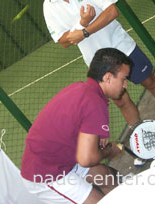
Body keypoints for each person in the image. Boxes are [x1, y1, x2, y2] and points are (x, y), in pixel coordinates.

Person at [33, 0, 155, 143]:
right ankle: (144, 140)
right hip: (97, 63)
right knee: (120, 100)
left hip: (121, 46)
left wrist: (84, 31)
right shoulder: (48, 7)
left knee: (150, 82)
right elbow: (63, 41)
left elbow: (112, 12)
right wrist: (81, 23)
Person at [21, 47, 132, 204]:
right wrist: (109, 151)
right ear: (108, 77)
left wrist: (97, 143)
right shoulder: (94, 102)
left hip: (62, 160)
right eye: (123, 79)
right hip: (47, 174)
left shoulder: (83, 89)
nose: (125, 85)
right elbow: (86, 159)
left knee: (106, 176)